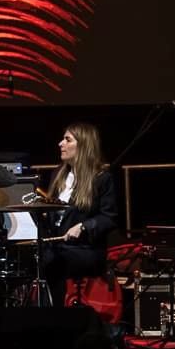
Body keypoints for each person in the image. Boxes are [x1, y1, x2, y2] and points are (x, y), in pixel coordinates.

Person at [40, 122, 120, 306]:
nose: (61, 143)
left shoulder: (102, 178)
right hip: (57, 248)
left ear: (83, 145)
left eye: (67, 140)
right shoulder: (58, 175)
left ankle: (55, 314)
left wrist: (84, 226)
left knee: (51, 262)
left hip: (85, 250)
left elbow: (109, 218)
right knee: (20, 262)